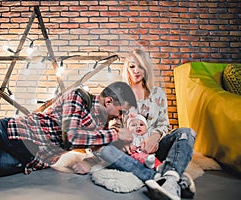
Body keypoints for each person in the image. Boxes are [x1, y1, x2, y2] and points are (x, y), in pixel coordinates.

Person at [0, 81, 137, 183]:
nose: (119, 118)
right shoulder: (79, 96)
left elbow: (99, 151)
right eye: (120, 112)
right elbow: (71, 136)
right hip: (9, 131)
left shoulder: (101, 129)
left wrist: (90, 161)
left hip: (22, 161)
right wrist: (116, 135)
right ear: (109, 101)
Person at [72, 49, 197, 200]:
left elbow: (164, 124)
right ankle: (159, 177)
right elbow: (113, 125)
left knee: (186, 133)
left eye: (141, 66)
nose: (136, 71)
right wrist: (121, 142)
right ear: (127, 69)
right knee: (105, 150)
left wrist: (154, 138)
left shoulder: (158, 93)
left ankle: (170, 178)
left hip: (155, 149)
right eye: (132, 66)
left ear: (147, 68)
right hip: (130, 153)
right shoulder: (120, 94)